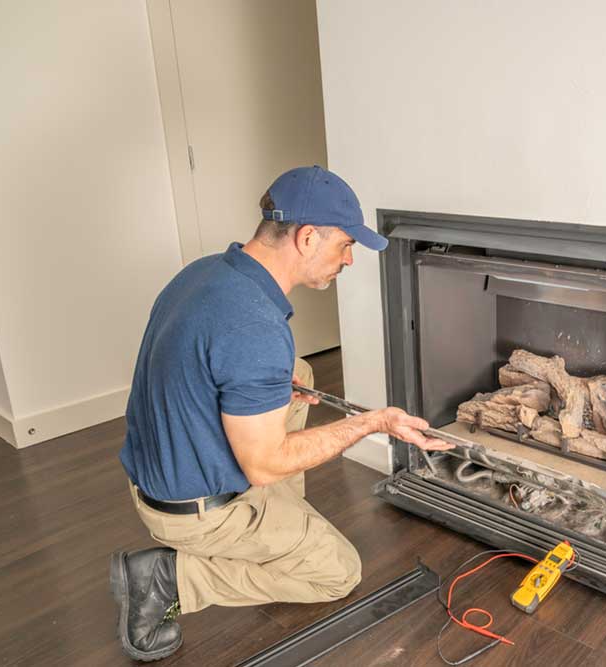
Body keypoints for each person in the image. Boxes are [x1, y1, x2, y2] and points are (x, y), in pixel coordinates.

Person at [110, 166, 452, 661]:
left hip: (154, 471)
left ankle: (278, 522)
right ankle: (169, 577)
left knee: (299, 373)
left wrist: (261, 393)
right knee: (337, 572)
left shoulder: (208, 273)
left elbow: (209, 368)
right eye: (346, 244)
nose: (349, 259)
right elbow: (264, 465)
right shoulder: (254, 327)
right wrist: (374, 422)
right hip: (195, 513)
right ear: (308, 237)